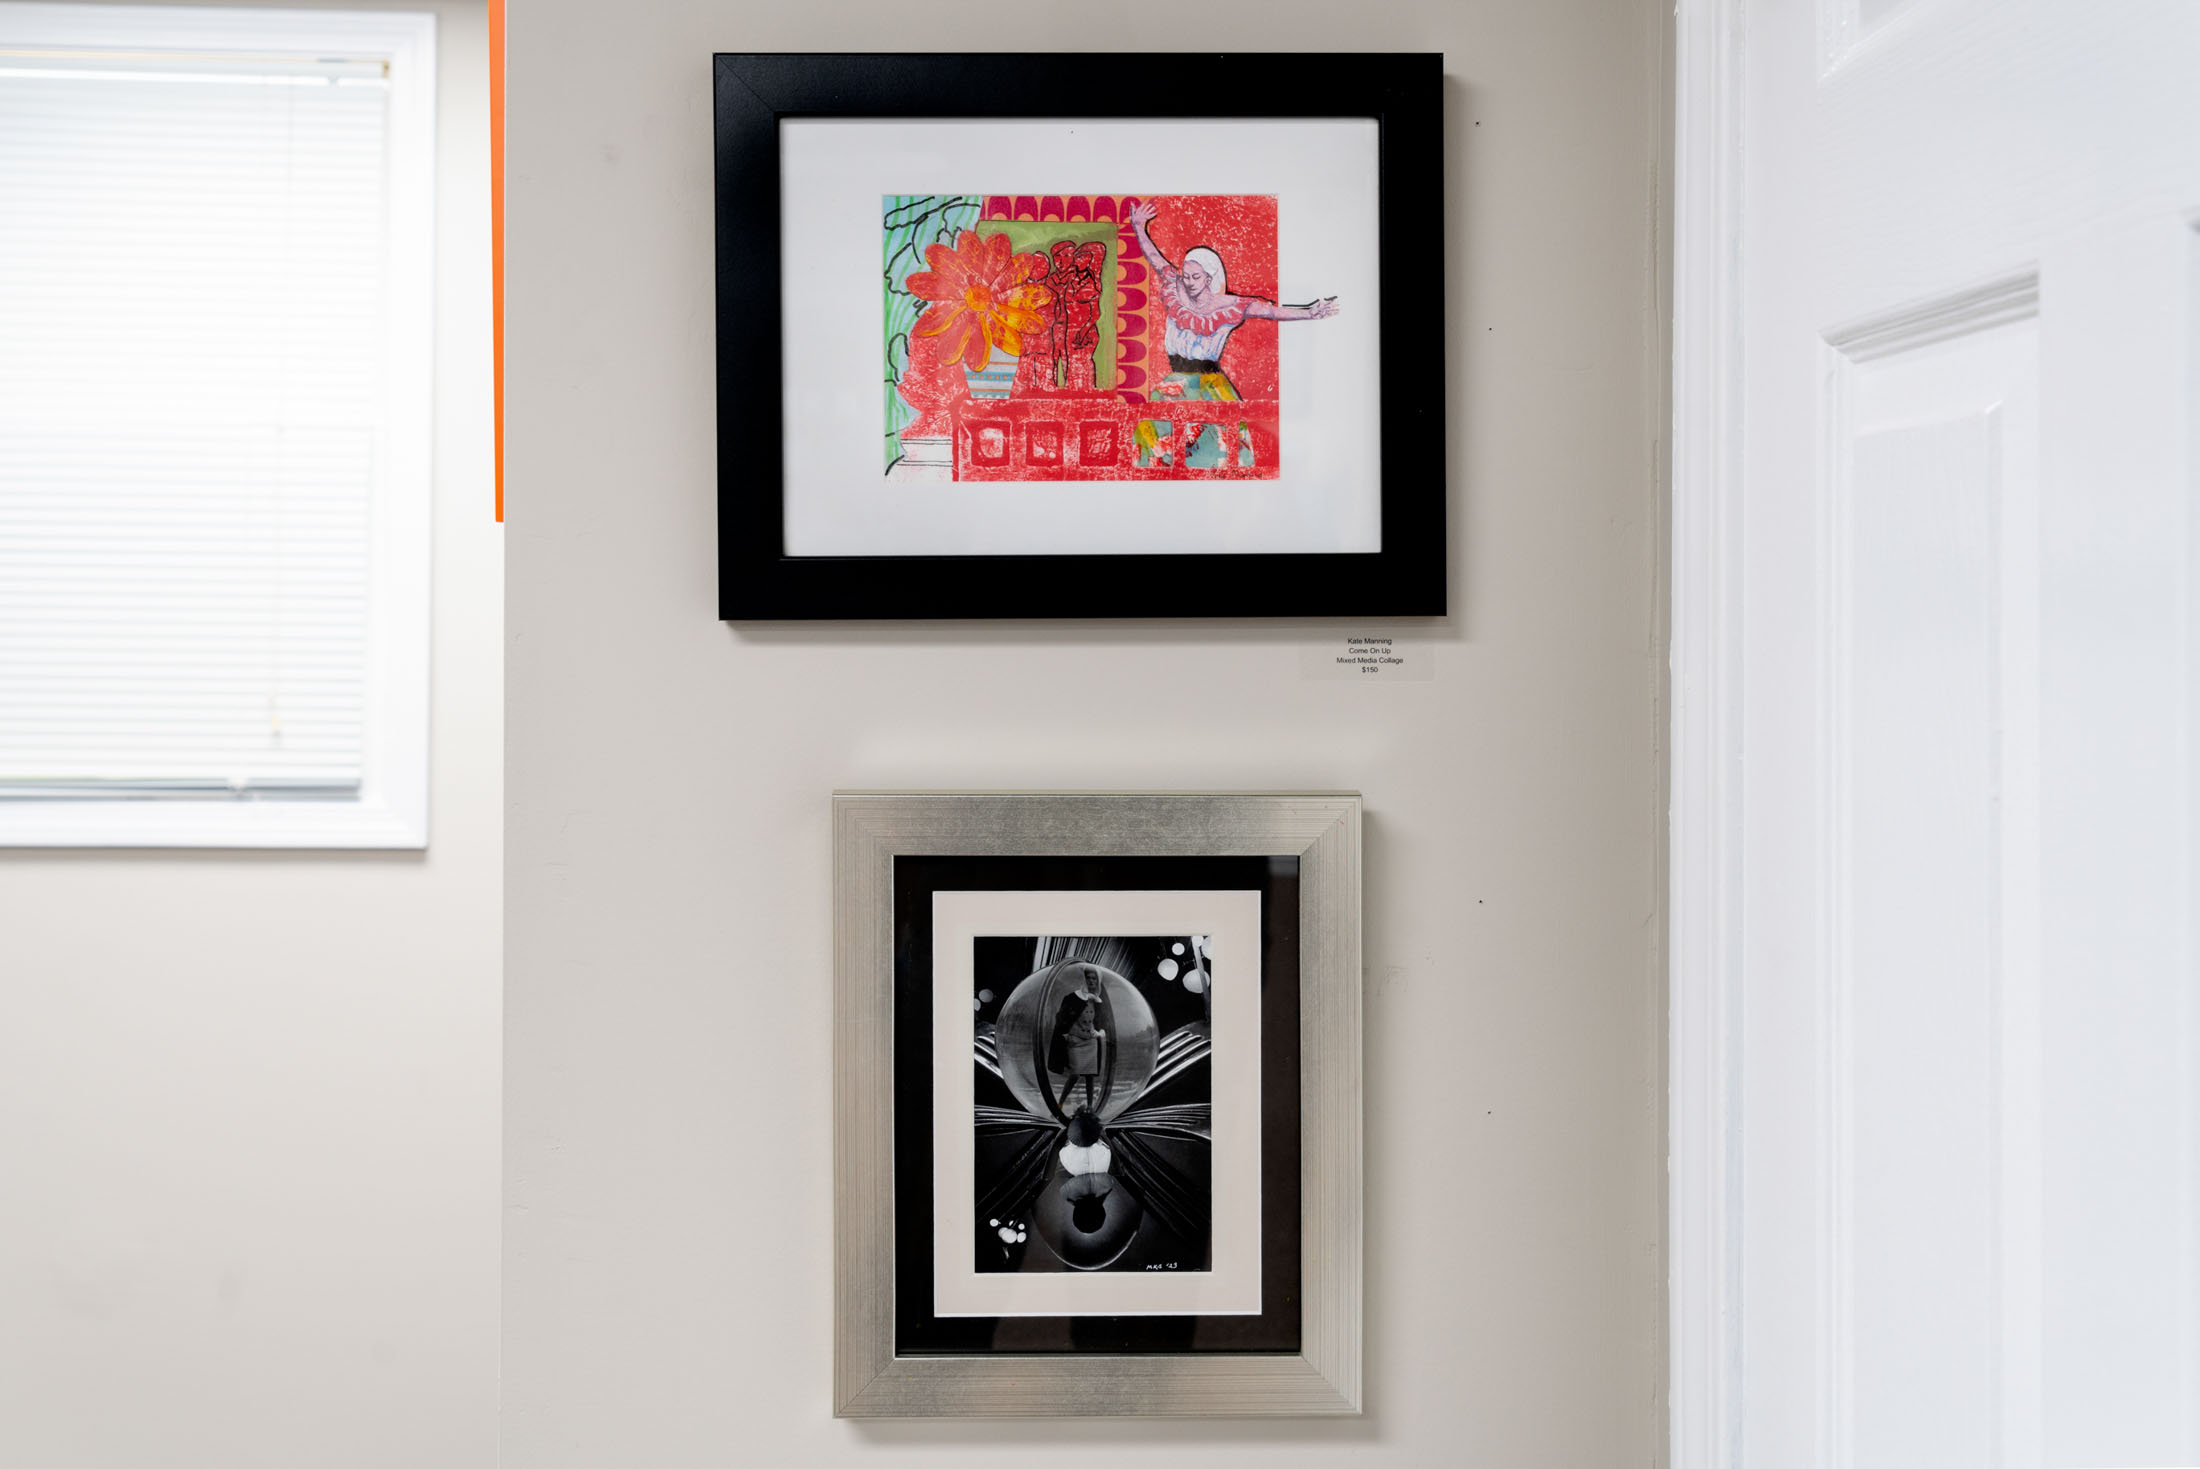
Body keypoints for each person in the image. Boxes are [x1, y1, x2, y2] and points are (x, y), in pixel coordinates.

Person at [1124, 199, 1338, 468]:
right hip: (1174, 385)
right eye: (1186, 276)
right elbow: (1155, 259)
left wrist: (1309, 313)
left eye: (1196, 277)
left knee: (1222, 450)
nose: (1188, 282)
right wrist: (1139, 227)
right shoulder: (1175, 289)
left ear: (1209, 278)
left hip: (1212, 388)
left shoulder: (1228, 306)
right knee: (1154, 447)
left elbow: (1270, 312)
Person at [1046, 971, 1106, 1113]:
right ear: (1084, 980)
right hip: (1076, 1042)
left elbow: (1101, 1022)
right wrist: (1067, 1034)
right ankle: (1060, 1104)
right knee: (1075, 1074)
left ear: (1097, 981)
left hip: (1091, 1043)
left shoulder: (1097, 1001)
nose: (1091, 981)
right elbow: (1061, 1017)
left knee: (1090, 1076)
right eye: (1088, 978)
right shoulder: (1073, 997)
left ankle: (1090, 1107)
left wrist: (1099, 1033)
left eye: (1094, 978)